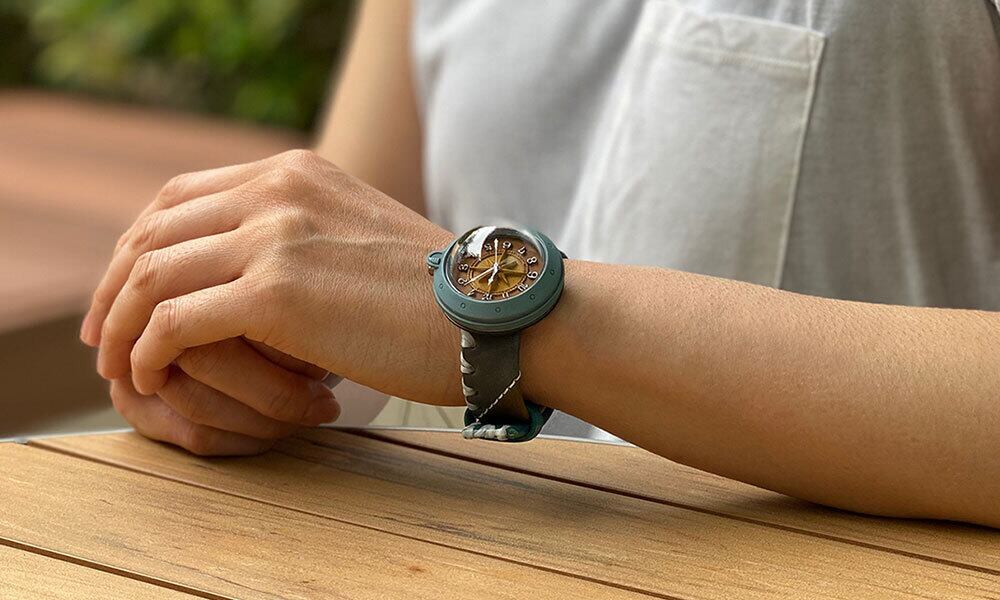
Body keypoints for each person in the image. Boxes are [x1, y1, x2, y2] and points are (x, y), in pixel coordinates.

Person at [80, 0, 1000, 528]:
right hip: (480, 548)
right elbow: (337, 284)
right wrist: (239, 351)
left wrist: (503, 324)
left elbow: (409, 285)